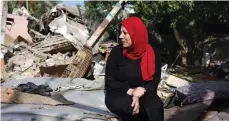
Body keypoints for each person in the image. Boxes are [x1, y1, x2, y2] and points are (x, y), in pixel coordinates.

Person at [105, 16, 164, 121]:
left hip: (144, 92)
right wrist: (131, 91)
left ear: (136, 34)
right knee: (131, 107)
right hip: (120, 92)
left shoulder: (153, 53)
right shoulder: (116, 52)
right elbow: (110, 80)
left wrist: (138, 93)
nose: (121, 36)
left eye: (125, 33)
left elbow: (154, 81)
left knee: (156, 106)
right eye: (121, 32)